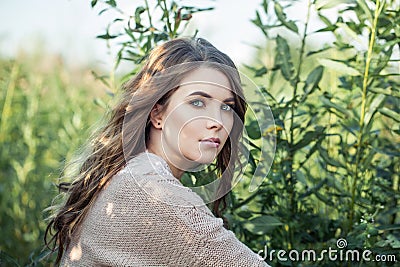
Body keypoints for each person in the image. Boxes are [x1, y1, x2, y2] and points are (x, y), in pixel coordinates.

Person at [45, 37, 270, 266]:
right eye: (198, 103)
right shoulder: (157, 195)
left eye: (226, 106)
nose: (218, 121)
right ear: (157, 114)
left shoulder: (132, 175)